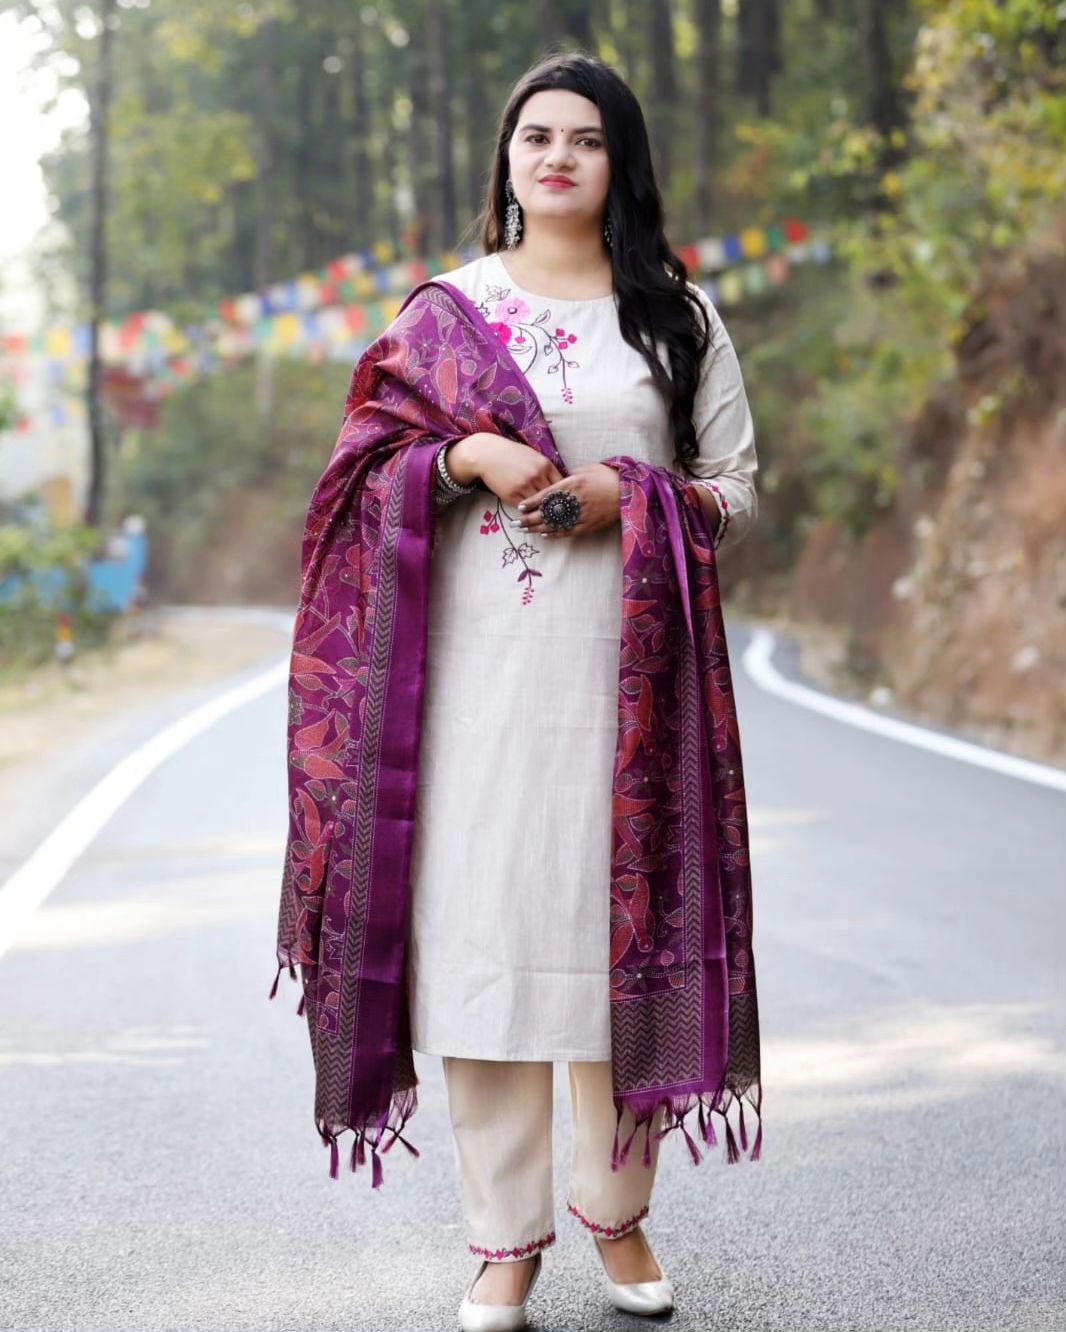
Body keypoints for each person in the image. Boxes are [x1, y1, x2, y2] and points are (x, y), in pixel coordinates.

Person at [272, 49, 762, 1332]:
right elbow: (357, 477)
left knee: (613, 941)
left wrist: (629, 493)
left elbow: (734, 488)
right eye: (536, 135)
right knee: (484, 955)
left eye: (585, 139)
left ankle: (619, 1216)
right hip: (471, 693)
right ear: (506, 157)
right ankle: (502, 1243)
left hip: (632, 691)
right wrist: (468, 457)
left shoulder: (676, 316)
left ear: (619, 164)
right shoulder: (448, 314)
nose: (557, 156)